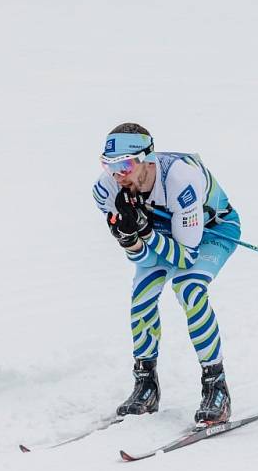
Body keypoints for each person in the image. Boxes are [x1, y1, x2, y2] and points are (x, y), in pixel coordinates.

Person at [92, 122, 241, 425]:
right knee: (142, 296)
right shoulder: (105, 190)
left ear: (147, 159)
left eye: (126, 164)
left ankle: (216, 386)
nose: (119, 174)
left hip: (212, 231)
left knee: (189, 287)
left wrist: (145, 230)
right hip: (162, 233)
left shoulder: (180, 179)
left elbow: (186, 258)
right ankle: (145, 384)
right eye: (110, 166)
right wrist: (130, 239)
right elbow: (143, 258)